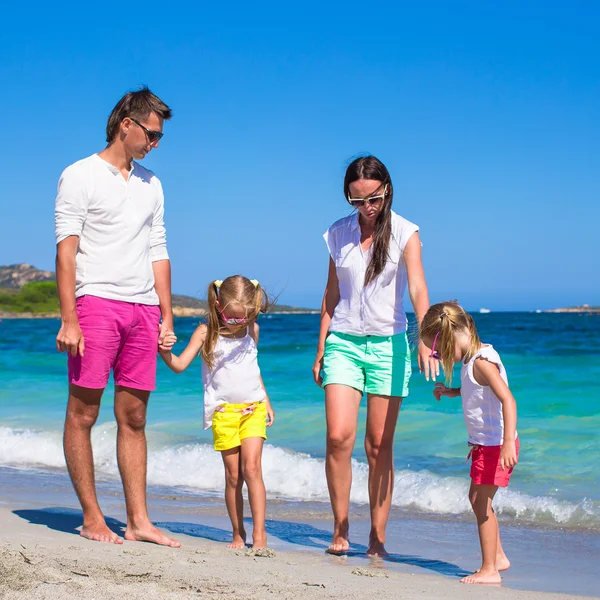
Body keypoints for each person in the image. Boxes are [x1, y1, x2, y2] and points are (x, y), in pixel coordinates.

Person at [54, 87, 180, 547]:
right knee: (83, 413)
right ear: (126, 124)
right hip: (95, 304)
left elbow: (158, 249)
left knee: (135, 417)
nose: (155, 143)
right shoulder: (79, 174)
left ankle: (138, 521)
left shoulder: (152, 184)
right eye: (152, 133)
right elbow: (66, 251)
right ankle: (92, 517)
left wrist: (166, 316)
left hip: (143, 309)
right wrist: (69, 318)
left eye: (160, 136)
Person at [312, 155, 437, 556]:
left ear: (386, 191)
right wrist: (320, 348)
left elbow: (417, 288)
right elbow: (331, 294)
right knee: (338, 437)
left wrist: (425, 335)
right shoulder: (337, 234)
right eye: (357, 201)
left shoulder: (405, 231)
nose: (367, 209)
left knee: (379, 445)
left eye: (374, 199)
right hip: (343, 342)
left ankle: (377, 538)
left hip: (389, 344)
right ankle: (340, 527)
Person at [159, 276, 275, 549]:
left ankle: (260, 535)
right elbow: (178, 365)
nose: (238, 323)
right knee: (233, 476)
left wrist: (266, 400)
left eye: (244, 318)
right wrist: (164, 351)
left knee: (252, 469)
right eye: (233, 318)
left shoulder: (252, 330)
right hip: (223, 413)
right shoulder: (205, 332)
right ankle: (238, 533)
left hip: (253, 408)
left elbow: (252, 370)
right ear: (218, 305)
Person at [419, 301, 519, 585]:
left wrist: (508, 442)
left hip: (496, 446)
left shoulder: (483, 362)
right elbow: (476, 391)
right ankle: (497, 556)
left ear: (450, 340)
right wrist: (452, 392)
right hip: (482, 445)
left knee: (481, 503)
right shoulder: (471, 360)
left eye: (437, 351)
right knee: (476, 500)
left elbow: (507, 399)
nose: (438, 357)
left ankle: (490, 569)